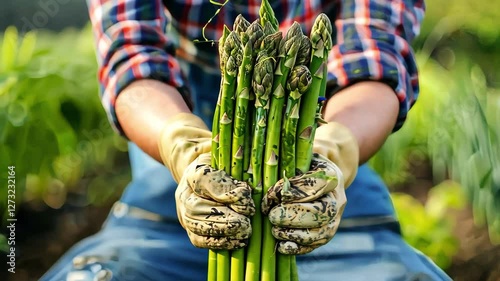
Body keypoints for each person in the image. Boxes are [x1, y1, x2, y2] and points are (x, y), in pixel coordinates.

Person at [41, 0, 452, 280]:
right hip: (173, 183)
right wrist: (181, 145)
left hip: (323, 180)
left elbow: (376, 61)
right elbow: (131, 58)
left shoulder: (329, 157)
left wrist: (333, 148)